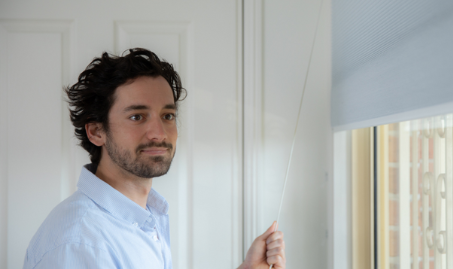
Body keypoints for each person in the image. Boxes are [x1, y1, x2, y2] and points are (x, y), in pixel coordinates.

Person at [23, 48, 286, 269]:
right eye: (137, 116)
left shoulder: (143, 217)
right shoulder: (80, 245)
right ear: (96, 131)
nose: (159, 134)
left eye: (167, 116)